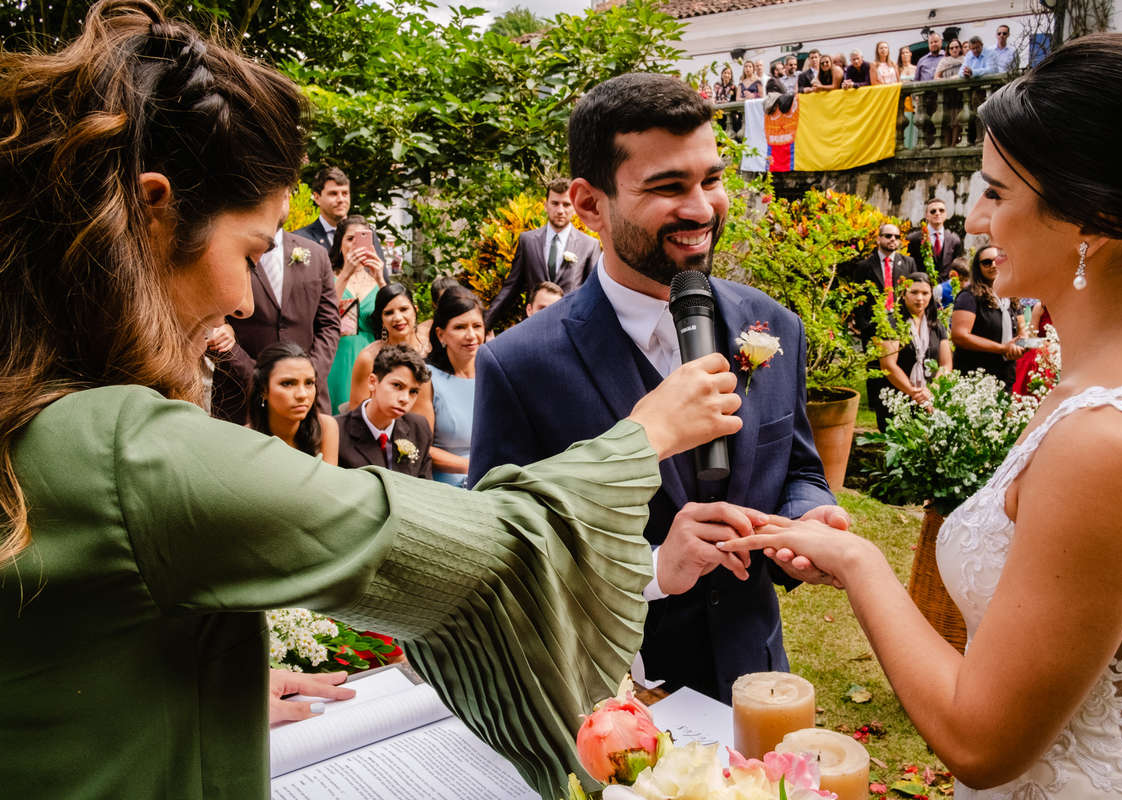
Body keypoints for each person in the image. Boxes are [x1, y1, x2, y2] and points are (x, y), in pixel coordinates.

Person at [0, 4, 745, 797]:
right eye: (252, 251)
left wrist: (189, 691)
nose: (246, 302)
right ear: (154, 212)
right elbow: (486, 548)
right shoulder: (126, 449)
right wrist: (643, 435)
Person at [720, 32, 1122, 799]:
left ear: (1097, 218)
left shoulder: (1109, 439)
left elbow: (980, 741)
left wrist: (859, 563)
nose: (975, 222)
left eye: (997, 193)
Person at [469, 72, 845, 704]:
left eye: (712, 180)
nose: (701, 209)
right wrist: (650, 570)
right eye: (669, 187)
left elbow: (799, 467)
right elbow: (500, 561)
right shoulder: (519, 365)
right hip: (608, 698)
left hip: (757, 680)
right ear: (590, 205)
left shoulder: (774, 325)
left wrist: (808, 515)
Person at [208, 192, 340, 423]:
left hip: (307, 399)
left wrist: (307, 376)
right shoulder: (224, 250)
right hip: (241, 394)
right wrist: (261, 379)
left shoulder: (317, 255)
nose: (281, 200)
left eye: (285, 195)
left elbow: (329, 324)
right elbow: (212, 319)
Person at [484, 177, 602, 331]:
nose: (560, 210)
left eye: (566, 205)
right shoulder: (527, 241)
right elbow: (511, 289)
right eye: (555, 203)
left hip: (570, 330)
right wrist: (484, 324)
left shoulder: (589, 245)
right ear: (545, 205)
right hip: (533, 328)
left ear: (574, 207)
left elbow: (594, 294)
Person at [412, 287, 484, 487]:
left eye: (477, 326)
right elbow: (419, 447)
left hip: (494, 478)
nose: (471, 335)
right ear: (441, 335)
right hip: (446, 486)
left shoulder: (493, 373)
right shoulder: (427, 378)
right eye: (460, 327)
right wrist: (472, 466)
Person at [852, 223, 917, 429]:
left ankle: (904, 403)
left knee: (900, 365)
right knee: (877, 370)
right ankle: (879, 410)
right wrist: (864, 327)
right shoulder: (864, 266)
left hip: (901, 325)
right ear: (878, 238)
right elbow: (858, 298)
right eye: (888, 235)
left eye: (897, 236)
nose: (893, 240)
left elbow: (913, 291)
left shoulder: (908, 263)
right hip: (874, 326)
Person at [336, 344, 433, 478]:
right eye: (397, 386)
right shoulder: (337, 431)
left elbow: (425, 488)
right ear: (372, 382)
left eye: (413, 391)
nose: (405, 399)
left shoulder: (419, 428)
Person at [327, 214, 388, 411]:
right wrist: (345, 274)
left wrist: (380, 278)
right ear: (340, 243)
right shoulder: (329, 276)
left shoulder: (376, 281)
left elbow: (394, 314)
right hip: (337, 355)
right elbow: (324, 313)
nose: (355, 244)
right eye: (350, 238)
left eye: (361, 238)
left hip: (371, 354)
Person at [875, 272, 952, 428]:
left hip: (930, 396)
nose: (919, 298)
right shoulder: (892, 323)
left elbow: (946, 364)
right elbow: (888, 365)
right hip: (897, 397)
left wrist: (931, 391)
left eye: (925, 293)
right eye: (914, 292)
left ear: (931, 295)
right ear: (904, 294)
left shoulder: (936, 326)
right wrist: (915, 393)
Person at [247, 342, 339, 464]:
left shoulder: (326, 427)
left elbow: (329, 482)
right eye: (287, 383)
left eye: (309, 383)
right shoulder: (247, 438)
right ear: (263, 389)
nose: (302, 394)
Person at [951, 245, 1026, 388]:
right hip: (976, 376)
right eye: (987, 262)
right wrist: (1002, 348)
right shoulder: (969, 296)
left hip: (1006, 374)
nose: (993, 265)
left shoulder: (1011, 296)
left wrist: (1023, 345)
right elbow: (959, 336)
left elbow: (1022, 331)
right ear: (978, 268)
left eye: (998, 260)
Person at [347, 282, 426, 410]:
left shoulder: (430, 348)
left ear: (415, 310)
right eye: (389, 313)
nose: (397, 318)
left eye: (404, 309)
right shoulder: (369, 358)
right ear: (381, 320)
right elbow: (356, 411)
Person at [293, 165, 386, 265]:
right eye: (333, 194)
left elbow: (384, 278)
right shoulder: (301, 239)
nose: (341, 199)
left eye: (345, 193)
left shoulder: (366, 234)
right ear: (317, 197)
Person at [907, 197, 964, 279]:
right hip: (923, 286)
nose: (937, 213)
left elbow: (958, 267)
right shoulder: (913, 239)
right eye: (933, 211)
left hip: (947, 288)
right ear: (926, 215)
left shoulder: (955, 239)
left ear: (946, 214)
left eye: (941, 210)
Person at [414, 273, 460, 354]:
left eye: (454, 299)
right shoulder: (423, 331)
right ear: (434, 304)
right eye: (444, 301)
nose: (451, 305)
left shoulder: (471, 325)